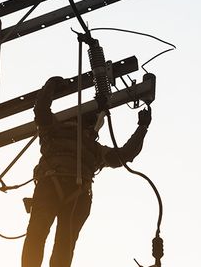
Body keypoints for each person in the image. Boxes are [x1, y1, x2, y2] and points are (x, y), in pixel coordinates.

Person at [21, 76, 152, 267]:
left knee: (41, 237)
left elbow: (41, 110)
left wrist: (142, 128)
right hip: (73, 191)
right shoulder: (65, 135)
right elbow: (123, 155)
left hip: (60, 188)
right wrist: (142, 127)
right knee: (60, 243)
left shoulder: (62, 135)